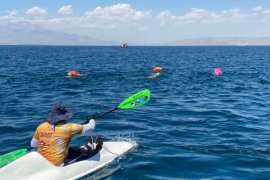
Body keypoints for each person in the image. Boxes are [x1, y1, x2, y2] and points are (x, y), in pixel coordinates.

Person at [30, 103, 103, 167]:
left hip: (42, 162)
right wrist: (91, 119)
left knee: (69, 149)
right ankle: (95, 151)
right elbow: (91, 127)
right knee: (83, 156)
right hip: (58, 165)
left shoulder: (41, 126)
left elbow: (33, 144)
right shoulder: (69, 127)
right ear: (65, 116)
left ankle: (85, 148)